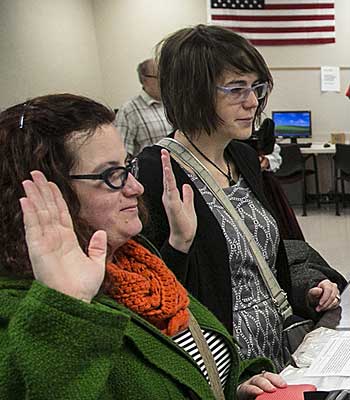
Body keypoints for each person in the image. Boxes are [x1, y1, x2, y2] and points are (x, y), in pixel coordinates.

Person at [0, 93, 289, 399]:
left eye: (127, 166)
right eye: (112, 175)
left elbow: (187, 361)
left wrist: (235, 385)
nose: (135, 187)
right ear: (44, 194)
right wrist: (66, 309)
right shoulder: (27, 316)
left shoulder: (134, 258)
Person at [137, 25, 344, 372]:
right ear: (193, 93)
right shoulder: (157, 172)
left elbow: (260, 260)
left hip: (278, 348)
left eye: (255, 87)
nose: (252, 102)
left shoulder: (243, 157)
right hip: (224, 363)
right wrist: (178, 245)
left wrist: (304, 290)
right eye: (236, 89)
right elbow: (154, 299)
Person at [115, 58, 172, 156]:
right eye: (160, 77)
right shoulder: (129, 110)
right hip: (150, 169)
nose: (165, 81)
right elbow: (123, 153)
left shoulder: (172, 104)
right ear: (144, 80)